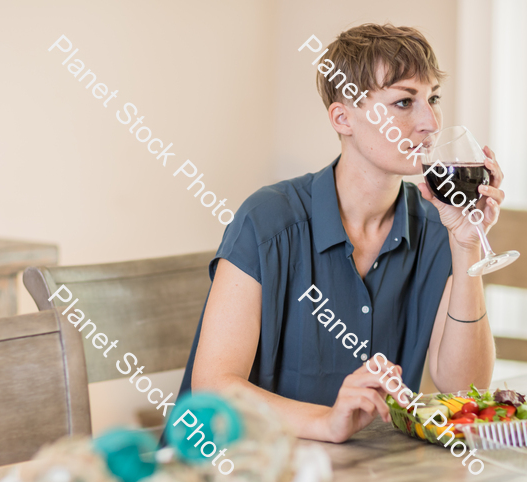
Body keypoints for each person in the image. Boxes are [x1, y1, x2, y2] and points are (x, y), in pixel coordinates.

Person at [179, 23, 503, 443]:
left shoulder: (438, 226)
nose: (430, 122)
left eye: (432, 98)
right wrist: (324, 422)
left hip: (361, 477)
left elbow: (464, 389)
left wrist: (467, 246)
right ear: (343, 117)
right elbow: (213, 389)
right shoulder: (267, 219)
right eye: (404, 101)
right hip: (241, 472)